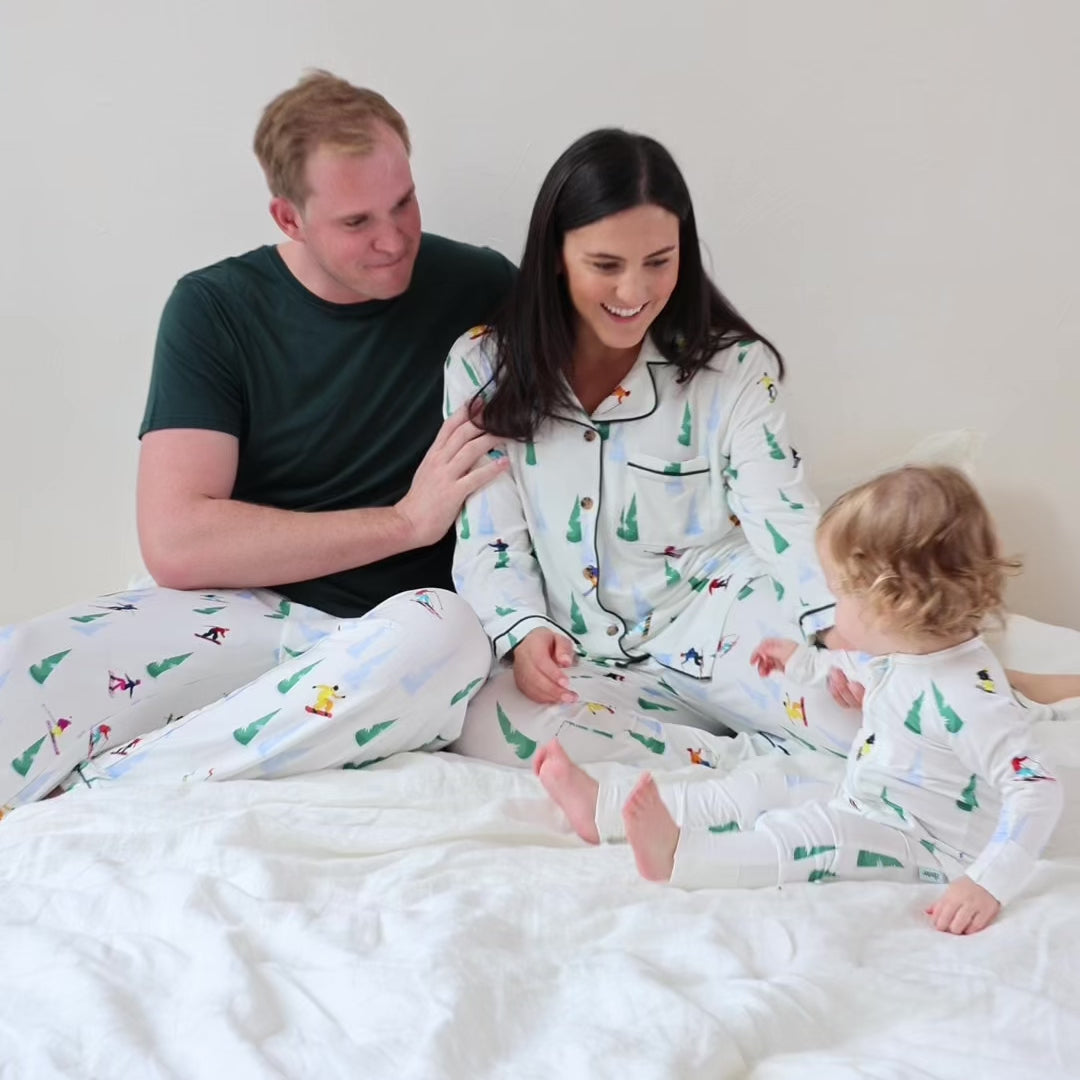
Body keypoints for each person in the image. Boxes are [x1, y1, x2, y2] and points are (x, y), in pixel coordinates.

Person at [0, 71, 514, 817]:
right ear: (289, 217)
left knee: (450, 636)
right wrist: (405, 522)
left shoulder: (481, 286)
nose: (394, 238)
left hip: (395, 634)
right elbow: (177, 541)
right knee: (25, 663)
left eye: (404, 202)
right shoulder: (215, 308)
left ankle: (100, 792)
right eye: (357, 221)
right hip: (241, 611)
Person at [442, 128, 873, 772]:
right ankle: (743, 764)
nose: (634, 291)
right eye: (605, 265)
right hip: (586, 659)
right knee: (490, 724)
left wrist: (835, 635)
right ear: (556, 255)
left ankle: (752, 752)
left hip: (724, 621)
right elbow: (490, 539)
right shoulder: (483, 368)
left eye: (658, 261)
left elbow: (782, 515)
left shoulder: (734, 368)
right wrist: (526, 632)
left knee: (870, 723)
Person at [540, 466, 1064, 935]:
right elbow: (862, 668)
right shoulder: (910, 650)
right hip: (870, 795)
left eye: (839, 593)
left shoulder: (970, 697)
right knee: (767, 783)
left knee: (816, 836)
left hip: (928, 845)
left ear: (890, 601)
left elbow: (1036, 789)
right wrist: (800, 662)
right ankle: (604, 811)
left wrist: (986, 882)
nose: (830, 607)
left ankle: (683, 854)